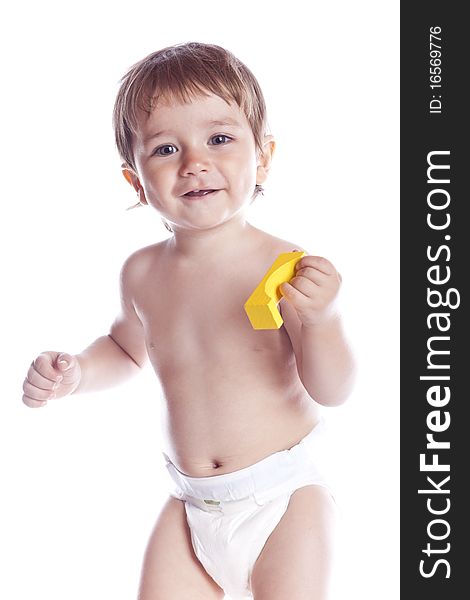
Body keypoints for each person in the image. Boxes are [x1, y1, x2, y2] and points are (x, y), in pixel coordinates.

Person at [22, 42, 355, 600]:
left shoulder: (283, 268)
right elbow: (126, 350)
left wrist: (323, 320)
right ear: (135, 181)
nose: (193, 162)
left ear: (264, 156)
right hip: (190, 505)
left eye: (219, 139)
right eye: (165, 148)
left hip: (282, 500)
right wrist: (78, 371)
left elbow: (333, 389)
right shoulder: (142, 272)